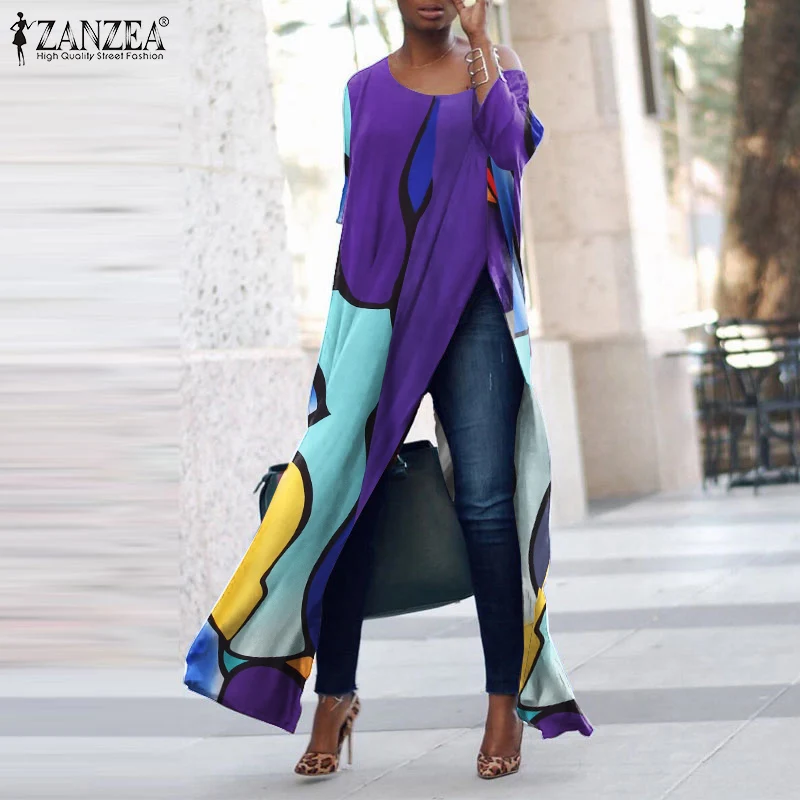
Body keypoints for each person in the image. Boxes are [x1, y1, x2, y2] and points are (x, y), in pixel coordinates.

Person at [183, 0, 592, 783]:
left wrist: (480, 44)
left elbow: (510, 148)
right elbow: (359, 220)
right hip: (383, 316)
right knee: (347, 492)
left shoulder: (496, 65)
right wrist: (346, 342)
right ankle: (334, 697)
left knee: (485, 504)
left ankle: (503, 702)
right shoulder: (362, 90)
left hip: (476, 309)